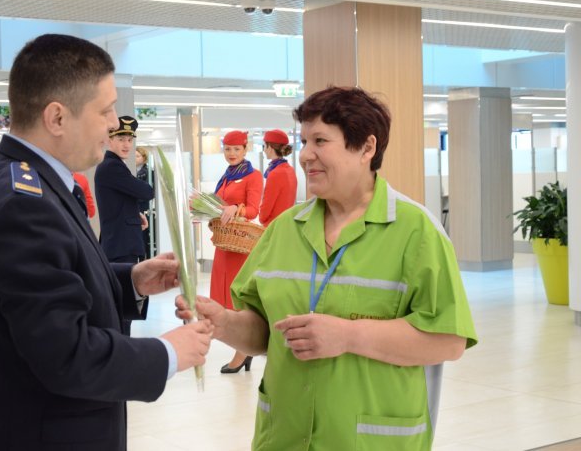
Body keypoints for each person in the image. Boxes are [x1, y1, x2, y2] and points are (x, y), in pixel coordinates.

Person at [178, 86, 477, 450]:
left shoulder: (417, 233)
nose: (305, 156)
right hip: (283, 438)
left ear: (367, 148)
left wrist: (348, 336)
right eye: (303, 141)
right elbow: (264, 333)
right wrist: (223, 322)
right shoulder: (283, 231)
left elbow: (448, 341)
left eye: (320, 140)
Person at [0, 34, 211, 451]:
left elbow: (47, 284)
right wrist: (167, 354)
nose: (113, 124)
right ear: (57, 118)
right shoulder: (24, 203)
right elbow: (65, 354)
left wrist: (130, 281)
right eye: (105, 110)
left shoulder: (18, 181)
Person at [209, 130, 263, 374]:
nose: (231, 154)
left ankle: (243, 351)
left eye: (236, 149)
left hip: (240, 246)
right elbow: (219, 205)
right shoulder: (227, 176)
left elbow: (253, 210)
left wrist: (235, 208)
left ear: (245, 149)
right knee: (223, 296)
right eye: (227, 149)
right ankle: (243, 350)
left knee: (237, 297)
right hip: (225, 245)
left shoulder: (253, 176)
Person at [94, 116, 154, 264]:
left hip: (120, 245)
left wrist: (135, 214)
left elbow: (118, 200)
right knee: (125, 287)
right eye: (121, 139)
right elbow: (147, 192)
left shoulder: (113, 165)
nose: (126, 145)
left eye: (129, 140)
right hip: (121, 247)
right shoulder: (112, 167)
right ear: (109, 140)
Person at [259, 129, 297, 227]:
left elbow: (267, 206)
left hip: (273, 226)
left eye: (264, 146)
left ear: (270, 148)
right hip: (286, 223)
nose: (264, 150)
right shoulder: (290, 170)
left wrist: (261, 218)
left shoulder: (275, 173)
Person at [136, 146, 154, 259]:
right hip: (136, 208)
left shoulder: (148, 172)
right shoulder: (131, 171)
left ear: (144, 158)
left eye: (138, 156)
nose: (135, 158)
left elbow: (149, 192)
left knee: (143, 238)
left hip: (144, 208)